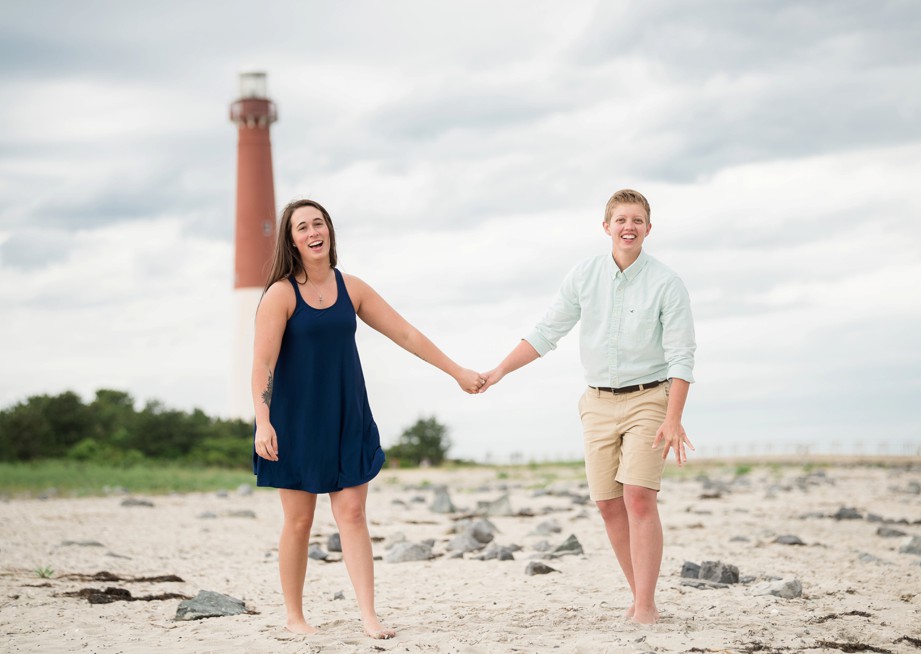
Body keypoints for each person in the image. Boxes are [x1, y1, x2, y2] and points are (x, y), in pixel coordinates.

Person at [252, 199, 485, 639]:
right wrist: (263, 420)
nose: (313, 231)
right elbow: (262, 363)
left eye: (318, 223)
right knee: (299, 521)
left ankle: (368, 616)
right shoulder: (280, 294)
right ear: (291, 239)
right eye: (302, 227)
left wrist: (457, 371)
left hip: (346, 412)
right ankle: (294, 617)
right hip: (294, 420)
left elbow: (406, 333)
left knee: (354, 513)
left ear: (329, 231)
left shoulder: (352, 287)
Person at [479, 189, 696, 624]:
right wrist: (499, 371)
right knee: (608, 502)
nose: (628, 227)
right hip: (596, 402)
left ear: (648, 229)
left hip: (649, 399)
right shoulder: (584, 276)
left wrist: (674, 416)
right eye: (621, 220)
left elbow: (681, 356)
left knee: (638, 497)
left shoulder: (667, 283)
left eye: (637, 220)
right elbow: (546, 333)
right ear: (607, 227)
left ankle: (647, 606)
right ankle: (638, 595)